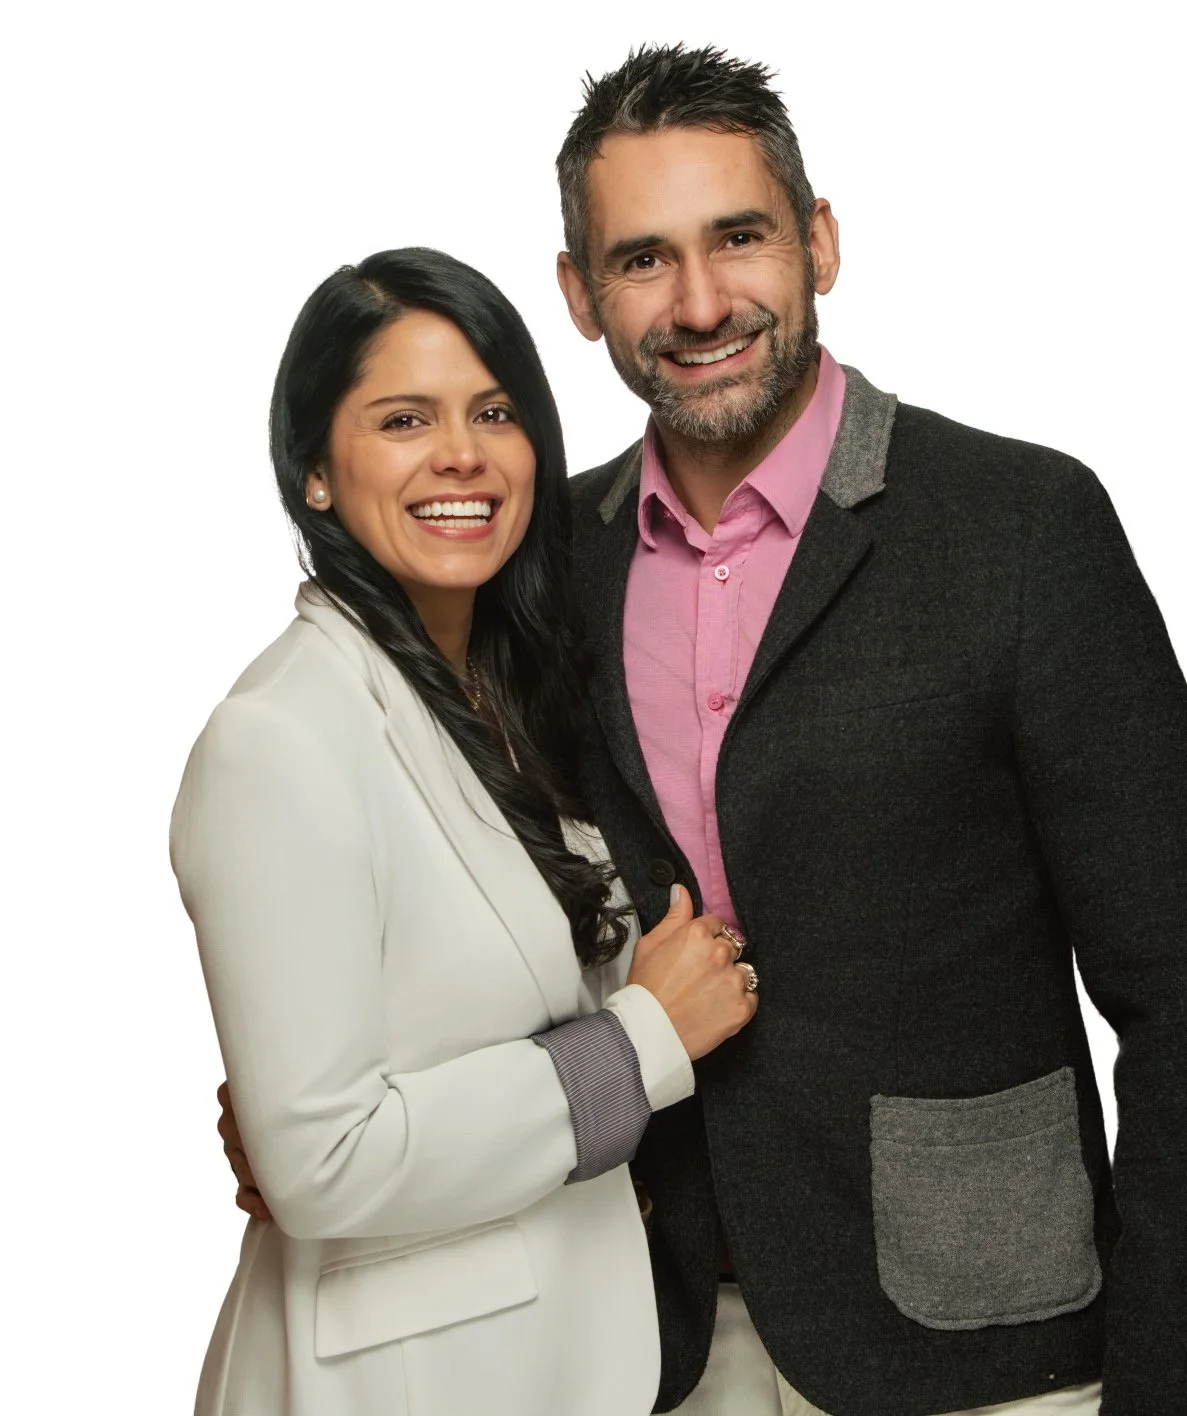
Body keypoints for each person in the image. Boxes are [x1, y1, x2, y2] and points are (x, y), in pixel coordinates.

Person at [220, 46, 1187, 1416]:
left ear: (819, 242)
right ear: (580, 297)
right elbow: (475, 890)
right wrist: (324, 1099)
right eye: (644, 259)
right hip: (645, 1339)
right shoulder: (543, 571)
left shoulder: (1020, 528)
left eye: (740, 238)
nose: (701, 302)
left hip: (988, 1347)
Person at [172, 246, 757, 1416]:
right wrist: (643, 1040)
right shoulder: (279, 740)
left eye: (494, 411)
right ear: (315, 472)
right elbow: (326, 1162)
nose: (461, 454)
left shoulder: (502, 696)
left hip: (552, 1358)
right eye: (402, 418)